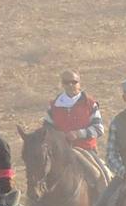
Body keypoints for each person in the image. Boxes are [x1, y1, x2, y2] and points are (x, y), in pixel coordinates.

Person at [47, 70, 109, 198]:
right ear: (62, 84)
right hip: (60, 153)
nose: (70, 85)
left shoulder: (90, 104)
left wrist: (79, 133)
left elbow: (99, 128)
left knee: (102, 177)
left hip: (85, 150)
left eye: (74, 82)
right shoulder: (53, 106)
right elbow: (46, 130)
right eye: (66, 82)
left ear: (79, 83)